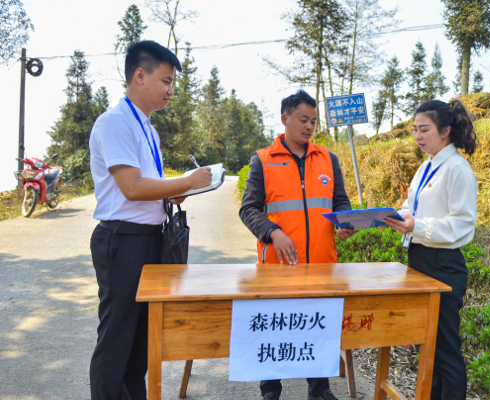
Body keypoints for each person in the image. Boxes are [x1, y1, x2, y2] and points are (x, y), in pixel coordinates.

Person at [88, 40, 212, 400]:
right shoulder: (115, 122)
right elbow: (131, 187)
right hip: (122, 240)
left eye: (172, 83)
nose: (171, 91)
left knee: (140, 343)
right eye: (166, 81)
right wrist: (186, 181)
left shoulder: (148, 128)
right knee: (116, 340)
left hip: (149, 239)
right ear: (140, 76)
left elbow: (149, 185)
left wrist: (173, 192)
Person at [239, 89, 355, 400]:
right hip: (278, 266)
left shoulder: (328, 159)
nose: (309, 126)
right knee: (275, 328)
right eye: (303, 119)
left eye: (313, 121)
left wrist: (344, 221)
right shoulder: (263, 160)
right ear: (285, 119)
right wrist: (273, 232)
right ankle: (270, 391)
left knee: (317, 326)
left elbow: (340, 201)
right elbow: (248, 209)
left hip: (321, 264)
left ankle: (320, 390)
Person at [384, 99, 477, 400]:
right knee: (430, 346)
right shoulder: (427, 166)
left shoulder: (457, 169)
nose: (418, 136)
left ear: (445, 131)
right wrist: (398, 217)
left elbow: (463, 224)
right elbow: (412, 206)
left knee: (445, 350)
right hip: (420, 260)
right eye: (415, 130)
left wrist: (418, 226)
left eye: (424, 130)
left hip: (444, 265)